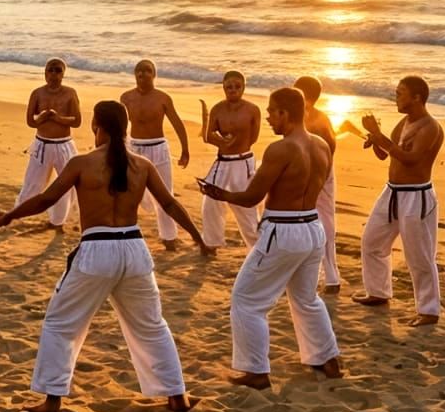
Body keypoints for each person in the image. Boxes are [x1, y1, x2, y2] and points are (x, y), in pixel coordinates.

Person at [0, 101, 204, 412]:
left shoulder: (82, 163)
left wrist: (10, 215)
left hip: (96, 250)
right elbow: (169, 205)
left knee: (61, 323)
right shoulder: (142, 165)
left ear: (96, 126)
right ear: (126, 128)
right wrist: (197, 236)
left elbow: (47, 198)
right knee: (151, 325)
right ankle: (177, 396)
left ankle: (51, 402)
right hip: (134, 250)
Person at [199, 87, 342, 390]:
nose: (267, 118)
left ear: (285, 113)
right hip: (312, 226)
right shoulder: (321, 145)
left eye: (271, 112)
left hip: (283, 229)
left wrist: (221, 194)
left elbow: (252, 196)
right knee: (306, 298)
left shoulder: (281, 149)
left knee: (246, 300)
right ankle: (328, 358)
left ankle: (255, 371)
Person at [354, 75, 445, 327]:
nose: (395, 97)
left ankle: (429, 310)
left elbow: (410, 158)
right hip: (392, 192)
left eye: (399, 93)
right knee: (372, 241)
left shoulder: (430, 127)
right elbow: (386, 154)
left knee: (419, 254)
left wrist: (377, 134)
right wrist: (375, 140)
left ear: (417, 97)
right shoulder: (403, 122)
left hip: (417, 195)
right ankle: (378, 292)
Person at [120, 60, 192, 250]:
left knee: (165, 192)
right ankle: (125, 232)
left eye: (147, 71)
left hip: (158, 148)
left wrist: (185, 149)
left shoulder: (163, 98)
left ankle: (169, 237)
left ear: (154, 74)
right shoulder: (126, 97)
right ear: (135, 74)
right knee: (130, 192)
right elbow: (120, 125)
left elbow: (177, 123)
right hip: (134, 147)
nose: (143, 74)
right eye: (139, 71)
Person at [15, 58, 82, 229]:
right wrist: (43, 118)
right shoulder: (37, 93)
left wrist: (58, 118)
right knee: (32, 183)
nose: (53, 74)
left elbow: (77, 121)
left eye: (57, 70)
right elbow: (30, 121)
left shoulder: (70, 93)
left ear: (63, 74)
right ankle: (16, 215)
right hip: (42, 144)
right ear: (45, 73)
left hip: (64, 145)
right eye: (50, 70)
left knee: (65, 184)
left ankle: (57, 220)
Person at [200, 71, 262, 249]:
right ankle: (211, 242)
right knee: (211, 202)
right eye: (229, 87)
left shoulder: (252, 109)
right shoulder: (218, 109)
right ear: (223, 88)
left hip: (243, 161)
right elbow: (208, 135)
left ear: (243, 88)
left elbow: (254, 138)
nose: (233, 90)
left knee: (245, 207)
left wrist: (237, 144)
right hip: (223, 161)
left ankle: (257, 246)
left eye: (237, 86)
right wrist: (222, 141)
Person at [294, 76, 340, 294]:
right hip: (308, 170)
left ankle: (331, 278)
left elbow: (329, 146)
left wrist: (316, 175)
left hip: (319, 172)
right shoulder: (304, 116)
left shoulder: (318, 118)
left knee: (323, 221)